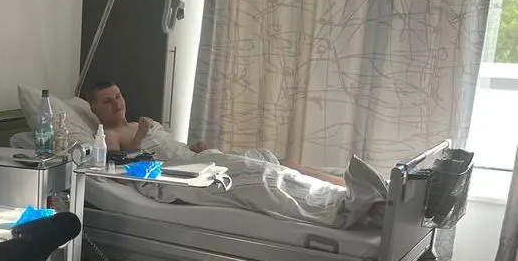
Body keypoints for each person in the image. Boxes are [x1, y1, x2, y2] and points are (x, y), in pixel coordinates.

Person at [84, 80, 345, 185]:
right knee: (274, 168)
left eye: (118, 96)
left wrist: (194, 149)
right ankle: (341, 188)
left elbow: (169, 147)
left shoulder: (134, 124)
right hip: (189, 169)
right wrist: (142, 133)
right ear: (94, 109)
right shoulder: (109, 134)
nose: (117, 103)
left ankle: (342, 182)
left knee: (279, 161)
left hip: (198, 157)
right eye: (108, 101)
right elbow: (120, 169)